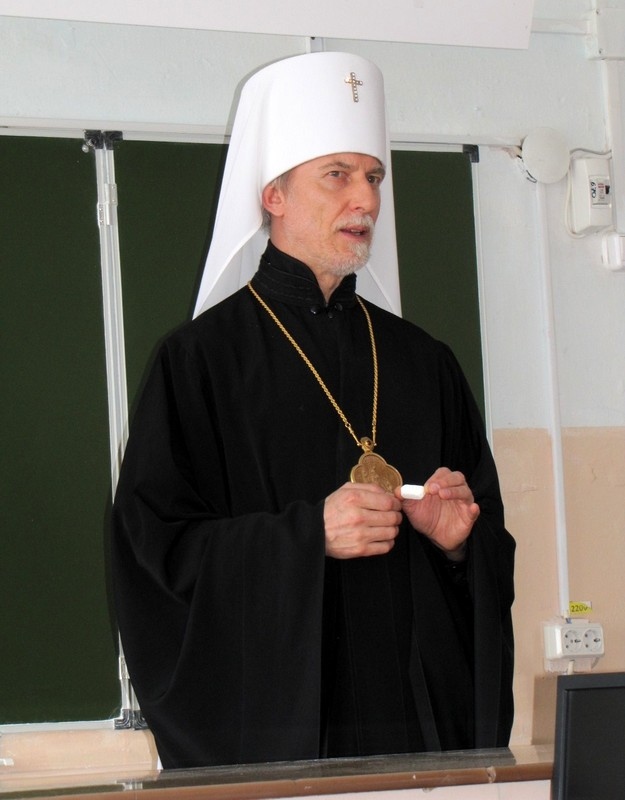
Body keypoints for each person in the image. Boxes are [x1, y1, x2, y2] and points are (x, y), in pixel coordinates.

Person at [111, 51, 515, 770]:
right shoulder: (199, 361)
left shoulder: (424, 362)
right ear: (273, 195)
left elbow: (489, 549)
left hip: (413, 735)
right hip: (282, 735)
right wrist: (305, 537)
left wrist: (459, 544)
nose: (366, 201)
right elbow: (154, 554)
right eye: (337, 175)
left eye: (373, 177)